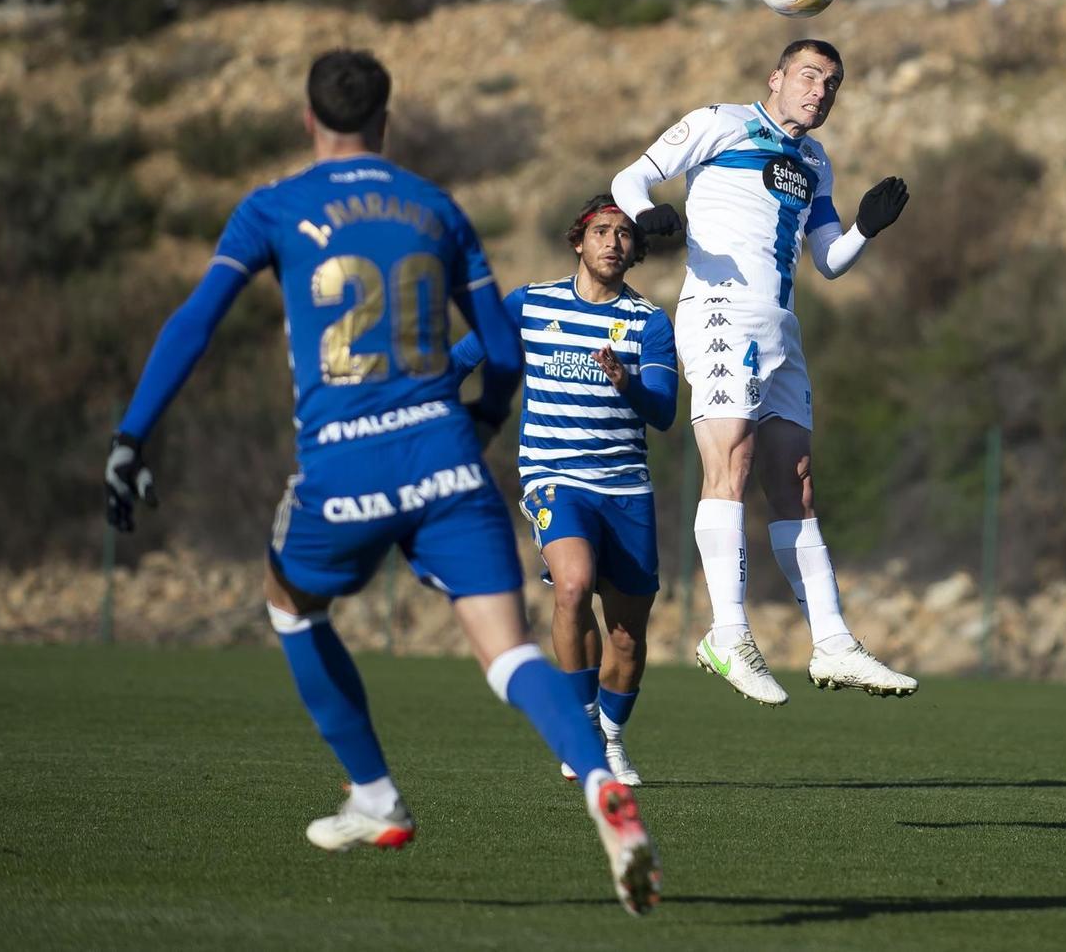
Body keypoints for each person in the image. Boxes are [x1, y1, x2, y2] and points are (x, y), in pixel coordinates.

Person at [102, 50, 662, 913]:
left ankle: (374, 793)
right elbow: (504, 353)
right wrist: (477, 425)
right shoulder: (435, 207)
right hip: (445, 456)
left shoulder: (272, 207)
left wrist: (132, 435)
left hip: (345, 465)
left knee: (290, 604)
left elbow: (194, 324)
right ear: (387, 123)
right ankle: (597, 780)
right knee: (509, 651)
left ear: (307, 119)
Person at [609, 40, 916, 704]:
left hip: (780, 324)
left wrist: (864, 227)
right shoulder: (720, 121)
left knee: (796, 481)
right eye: (809, 75)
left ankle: (833, 642)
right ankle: (727, 632)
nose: (820, 90)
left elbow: (829, 259)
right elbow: (630, 179)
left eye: (832, 83)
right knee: (733, 463)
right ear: (776, 76)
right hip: (721, 309)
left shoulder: (814, 160)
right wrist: (645, 214)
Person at [448, 197, 675, 787]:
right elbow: (462, 359)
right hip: (554, 476)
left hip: (625, 485)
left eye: (625, 235)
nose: (613, 243)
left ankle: (612, 738)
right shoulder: (528, 303)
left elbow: (666, 411)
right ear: (579, 241)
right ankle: (582, 734)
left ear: (635, 250)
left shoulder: (650, 321)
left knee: (627, 637)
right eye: (602, 231)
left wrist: (627, 384)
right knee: (572, 586)